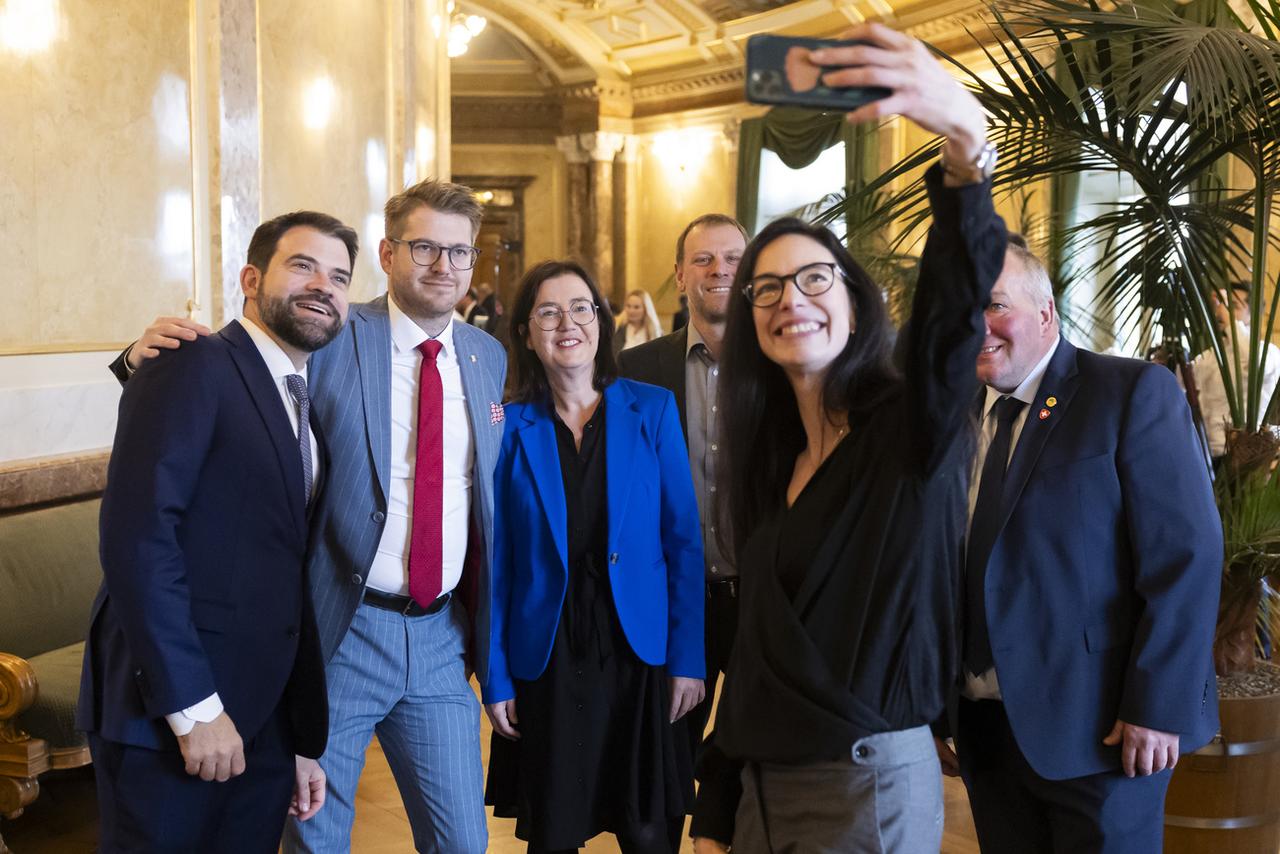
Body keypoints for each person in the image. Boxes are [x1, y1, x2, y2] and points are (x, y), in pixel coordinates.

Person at [115, 180, 506, 853]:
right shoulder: (331, 330)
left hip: (441, 637)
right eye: (425, 248)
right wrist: (141, 359)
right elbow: (243, 371)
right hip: (342, 633)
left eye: (460, 252)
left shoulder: (487, 357)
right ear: (388, 253)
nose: (444, 267)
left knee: (465, 843)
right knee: (314, 839)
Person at [691, 22, 1008, 852]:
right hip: (767, 783)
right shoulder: (773, 462)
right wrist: (723, 800)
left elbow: (948, 317)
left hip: (867, 781)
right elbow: (757, 649)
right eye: (765, 287)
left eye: (813, 277)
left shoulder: (910, 432)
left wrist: (968, 150)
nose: (789, 298)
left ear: (857, 301)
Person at [78, 211, 355, 851]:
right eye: (303, 265)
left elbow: (283, 571)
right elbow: (138, 541)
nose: (323, 286)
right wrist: (195, 709)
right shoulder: (192, 361)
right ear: (251, 278)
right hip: (173, 709)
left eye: (339, 276)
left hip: (260, 718)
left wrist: (295, 737)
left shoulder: (299, 396)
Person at [939, 238, 1222, 852]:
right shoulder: (952, 417)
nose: (974, 327)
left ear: (1045, 313)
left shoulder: (1128, 393)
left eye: (992, 306)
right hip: (984, 728)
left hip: (1104, 731)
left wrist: (1158, 706)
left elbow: (1185, 559)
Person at [482, 260, 706, 853]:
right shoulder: (507, 425)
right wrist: (497, 676)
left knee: (648, 831)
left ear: (602, 322)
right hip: (549, 654)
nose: (567, 323)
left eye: (581, 307)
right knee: (554, 834)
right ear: (527, 332)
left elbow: (682, 542)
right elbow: (497, 565)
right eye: (548, 312)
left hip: (638, 652)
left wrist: (688, 658)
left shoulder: (652, 409)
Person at [617, 213, 748, 787]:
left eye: (733, 259)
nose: (719, 270)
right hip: (672, 603)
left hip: (762, 605)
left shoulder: (787, 368)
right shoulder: (635, 371)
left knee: (754, 770)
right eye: (703, 259)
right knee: (664, 769)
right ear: (678, 275)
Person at [1190, 281, 1280, 459]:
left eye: (1235, 306)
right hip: (1206, 454)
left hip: (1248, 458)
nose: (1225, 311)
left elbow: (1255, 365)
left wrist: (1230, 322)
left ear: (1252, 315)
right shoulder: (1213, 354)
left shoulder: (1269, 352)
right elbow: (1184, 379)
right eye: (1225, 305)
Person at [614, 289, 664, 354]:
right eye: (628, 306)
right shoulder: (618, 328)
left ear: (646, 309)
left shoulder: (654, 332)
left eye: (636, 307)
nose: (631, 311)